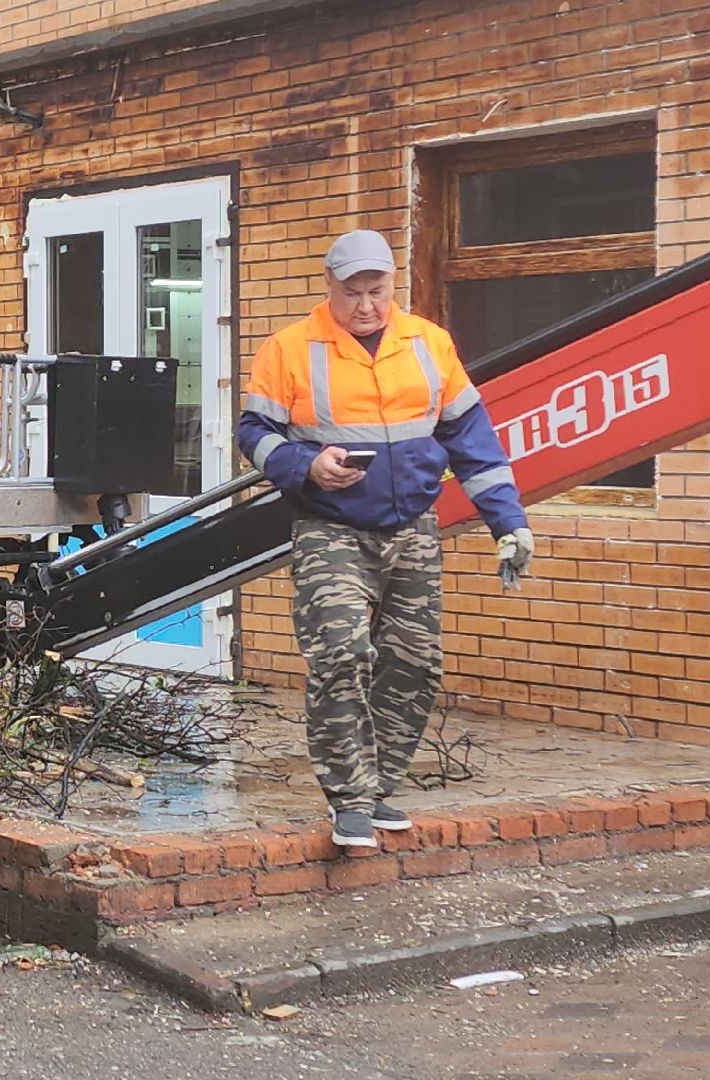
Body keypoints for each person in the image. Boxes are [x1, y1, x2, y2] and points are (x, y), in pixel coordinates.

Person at [236, 229, 533, 851]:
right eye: (353, 293)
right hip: (331, 527)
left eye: (377, 291)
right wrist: (306, 466)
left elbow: (472, 440)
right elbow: (254, 433)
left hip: (414, 529)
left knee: (415, 663)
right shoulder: (290, 349)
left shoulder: (429, 344)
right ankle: (348, 800)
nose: (366, 306)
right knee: (342, 652)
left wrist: (510, 523)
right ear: (330, 287)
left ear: (392, 286)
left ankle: (378, 789)